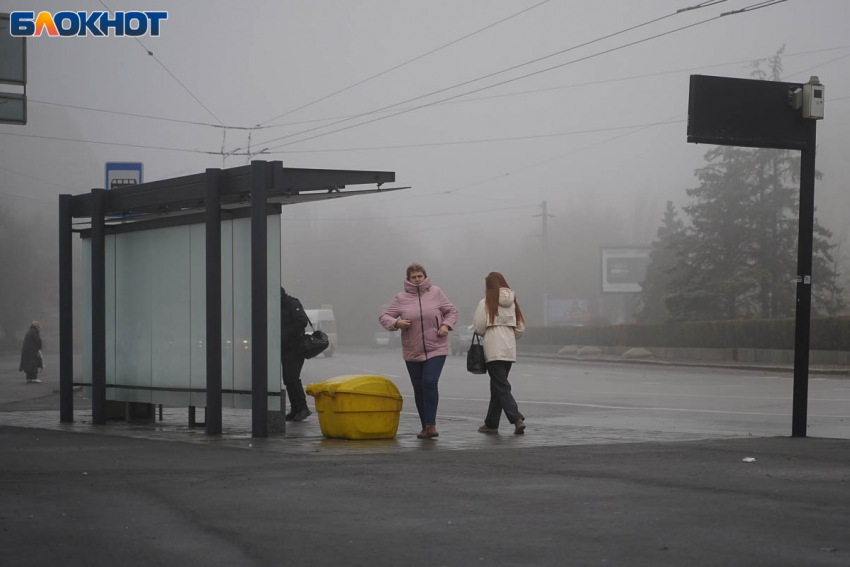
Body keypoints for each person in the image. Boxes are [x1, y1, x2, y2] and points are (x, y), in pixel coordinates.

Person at [380, 263, 458, 439]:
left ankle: (431, 425)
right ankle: (424, 426)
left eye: (419, 276)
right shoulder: (400, 298)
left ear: (425, 277)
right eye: (413, 277)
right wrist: (397, 323)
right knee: (419, 387)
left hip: (436, 346)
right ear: (408, 279)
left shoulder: (436, 292)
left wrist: (446, 325)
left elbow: (452, 311)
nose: (417, 280)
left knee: (429, 381)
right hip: (412, 349)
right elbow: (385, 316)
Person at [472, 272, 527, 434]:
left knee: (501, 386)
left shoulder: (485, 303)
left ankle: (516, 418)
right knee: (498, 385)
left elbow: (479, 327)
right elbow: (520, 328)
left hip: (493, 349)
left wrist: (490, 333)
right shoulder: (513, 303)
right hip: (509, 349)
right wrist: (509, 336)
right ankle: (491, 423)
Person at [280, 287, 311, 421]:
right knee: (288, 378)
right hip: (285, 347)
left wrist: (286, 334)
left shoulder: (292, 304)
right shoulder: (281, 305)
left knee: (292, 377)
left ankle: (302, 408)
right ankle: (296, 409)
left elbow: (302, 321)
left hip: (295, 347)